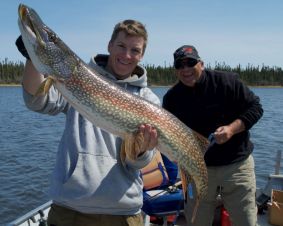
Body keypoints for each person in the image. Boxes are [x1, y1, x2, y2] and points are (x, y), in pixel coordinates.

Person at [16, 19, 160, 226]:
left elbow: (138, 162)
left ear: (142, 55)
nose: (127, 55)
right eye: (121, 46)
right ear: (110, 46)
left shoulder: (148, 100)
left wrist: (141, 150)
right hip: (70, 211)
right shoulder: (78, 78)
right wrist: (32, 57)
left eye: (134, 50)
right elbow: (37, 101)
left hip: (123, 214)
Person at [162, 45, 264, 226]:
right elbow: (167, 134)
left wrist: (231, 129)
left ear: (201, 63)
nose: (185, 69)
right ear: (176, 70)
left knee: (246, 221)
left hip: (236, 166)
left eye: (190, 63)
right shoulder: (171, 98)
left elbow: (256, 108)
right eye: (180, 65)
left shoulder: (227, 81)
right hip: (195, 168)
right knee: (196, 222)